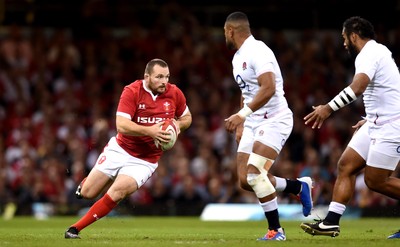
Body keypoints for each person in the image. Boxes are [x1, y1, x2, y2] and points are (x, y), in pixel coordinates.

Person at [64, 58, 192, 239]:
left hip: (145, 160)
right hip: (120, 149)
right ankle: (88, 183)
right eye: (159, 77)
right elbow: (121, 125)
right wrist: (151, 131)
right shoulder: (132, 91)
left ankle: (74, 229)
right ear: (147, 77)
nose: (164, 81)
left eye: (167, 77)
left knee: (117, 192)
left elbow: (187, 118)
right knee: (88, 193)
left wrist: (178, 126)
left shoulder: (174, 93)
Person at [301, 16, 400, 239]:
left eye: (344, 38)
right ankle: (331, 223)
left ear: (354, 35)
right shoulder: (377, 52)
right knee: (345, 165)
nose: (344, 43)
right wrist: (370, 117)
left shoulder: (368, 54)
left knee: (376, 181)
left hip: (392, 126)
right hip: (376, 122)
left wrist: (327, 108)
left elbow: (358, 87)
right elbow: (386, 89)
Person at [223, 11, 313, 241]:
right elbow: (247, 92)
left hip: (275, 120)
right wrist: (243, 121)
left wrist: (240, 114)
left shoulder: (259, 51)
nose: (224, 35)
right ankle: (297, 187)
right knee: (245, 180)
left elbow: (268, 87)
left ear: (231, 30)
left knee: (255, 175)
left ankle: (276, 230)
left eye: (225, 31)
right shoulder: (237, 57)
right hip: (253, 122)